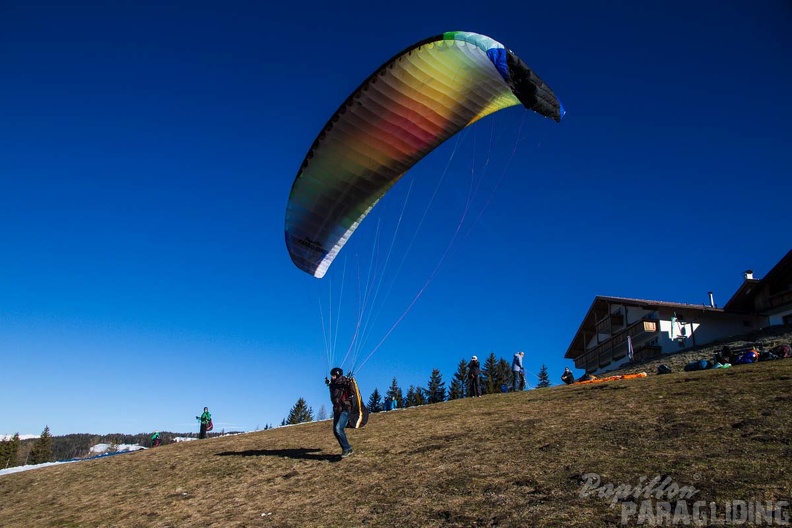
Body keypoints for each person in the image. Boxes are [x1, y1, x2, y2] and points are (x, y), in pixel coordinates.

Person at [326, 367, 353, 458]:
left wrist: (350, 383)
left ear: (337, 375)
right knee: (335, 431)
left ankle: (347, 449)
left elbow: (352, 392)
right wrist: (329, 384)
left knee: (338, 429)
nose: (332, 377)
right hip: (337, 410)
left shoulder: (345, 382)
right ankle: (347, 448)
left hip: (345, 409)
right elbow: (333, 390)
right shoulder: (333, 384)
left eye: (333, 376)